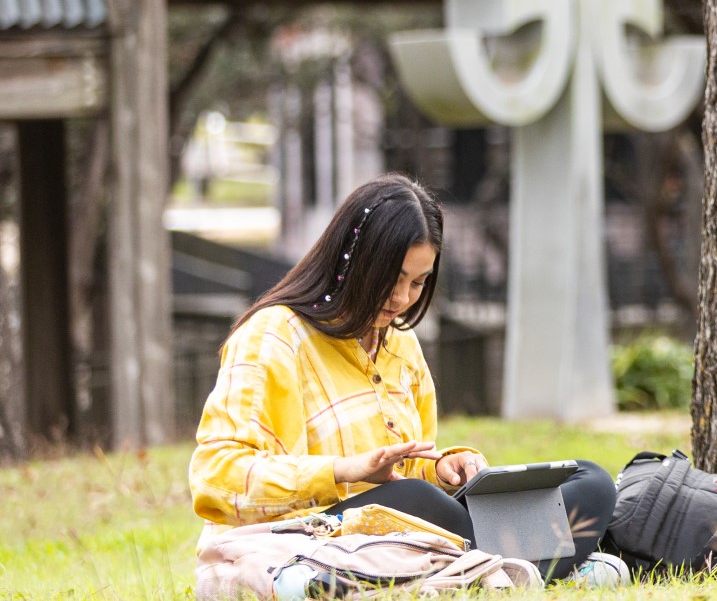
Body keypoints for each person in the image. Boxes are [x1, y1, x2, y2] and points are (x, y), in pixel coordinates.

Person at [187, 174, 622, 585]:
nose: (401, 299)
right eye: (392, 280)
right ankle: (538, 563)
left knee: (589, 482)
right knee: (417, 503)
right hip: (304, 539)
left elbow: (406, 466)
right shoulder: (273, 336)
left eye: (418, 283)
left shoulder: (400, 344)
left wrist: (445, 467)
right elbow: (216, 478)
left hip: (406, 527)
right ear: (350, 262)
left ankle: (497, 567)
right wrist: (341, 471)